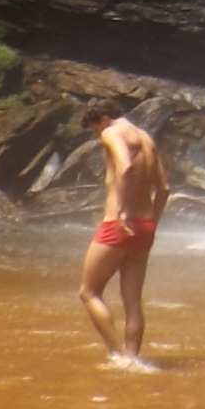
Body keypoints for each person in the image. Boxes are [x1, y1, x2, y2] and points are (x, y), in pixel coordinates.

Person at [75, 108, 169, 368]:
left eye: (95, 130)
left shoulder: (112, 132)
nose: (98, 136)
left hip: (118, 224)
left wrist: (121, 212)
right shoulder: (147, 139)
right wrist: (153, 224)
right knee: (133, 302)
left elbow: (125, 166)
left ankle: (118, 356)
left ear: (102, 119)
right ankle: (133, 357)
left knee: (88, 292)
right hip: (145, 226)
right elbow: (164, 188)